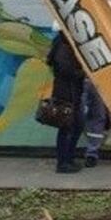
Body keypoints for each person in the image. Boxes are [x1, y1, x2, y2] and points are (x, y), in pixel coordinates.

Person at [45, 28, 85, 174]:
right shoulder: (64, 46)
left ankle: (67, 159)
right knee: (68, 127)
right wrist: (84, 72)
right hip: (67, 93)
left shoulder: (62, 44)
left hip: (68, 92)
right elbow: (67, 70)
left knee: (73, 126)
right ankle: (64, 162)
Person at [80, 78, 110, 168]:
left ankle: (91, 153)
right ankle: (91, 153)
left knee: (97, 117)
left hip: (94, 79)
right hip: (88, 78)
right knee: (80, 117)